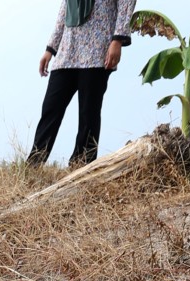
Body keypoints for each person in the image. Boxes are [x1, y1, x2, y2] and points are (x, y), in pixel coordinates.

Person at [27, 0, 136, 167]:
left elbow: (126, 3)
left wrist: (117, 40)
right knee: (51, 108)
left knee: (89, 113)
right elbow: (64, 10)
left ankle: (82, 165)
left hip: (98, 49)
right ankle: (34, 164)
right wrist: (50, 49)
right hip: (67, 51)